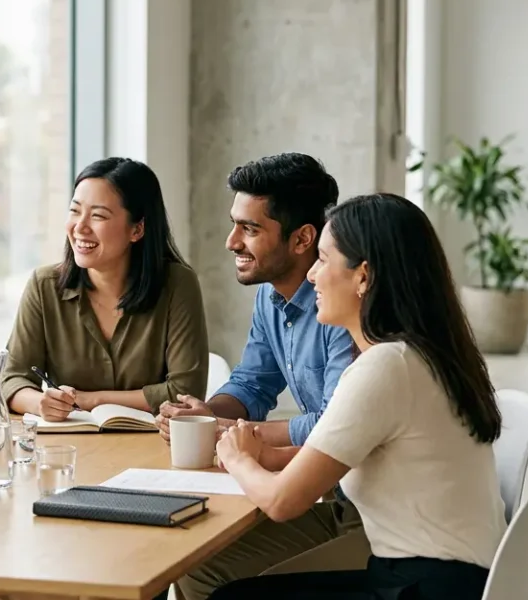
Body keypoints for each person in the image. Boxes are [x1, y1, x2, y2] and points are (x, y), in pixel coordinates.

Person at [209, 193, 507, 600]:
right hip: (450, 576)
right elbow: (339, 454)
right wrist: (264, 453)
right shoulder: (420, 354)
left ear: (363, 276)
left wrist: (236, 457)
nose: (311, 274)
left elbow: (281, 502)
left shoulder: (385, 367)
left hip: (426, 585)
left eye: (324, 260)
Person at [164, 153, 360, 600]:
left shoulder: (344, 309)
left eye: (250, 229)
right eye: (235, 224)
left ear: (302, 239)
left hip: (364, 517)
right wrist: (205, 415)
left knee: (206, 569)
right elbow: (252, 383)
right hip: (334, 497)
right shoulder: (272, 301)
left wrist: (238, 434)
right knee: (193, 562)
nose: (232, 241)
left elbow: (334, 423)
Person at [0, 157, 208, 419]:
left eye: (98, 215)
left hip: (152, 448)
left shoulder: (178, 284)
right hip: (70, 448)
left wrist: (91, 399)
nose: (80, 227)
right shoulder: (44, 286)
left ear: (137, 229)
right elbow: (11, 380)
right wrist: (39, 402)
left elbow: (185, 392)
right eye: (75, 211)